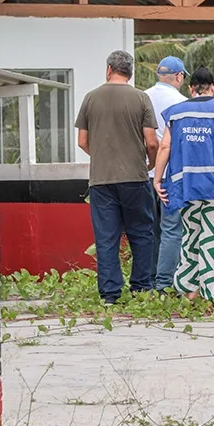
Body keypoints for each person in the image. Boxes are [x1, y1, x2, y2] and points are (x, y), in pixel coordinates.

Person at [152, 67, 214, 301]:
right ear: (213, 88)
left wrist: (157, 179)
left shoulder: (176, 112)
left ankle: (188, 290)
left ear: (191, 89)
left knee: (190, 237)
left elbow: (165, 147)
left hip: (187, 187)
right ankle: (211, 294)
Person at [75, 50, 159, 304]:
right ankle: (142, 288)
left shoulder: (91, 98)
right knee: (142, 234)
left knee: (106, 237)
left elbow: (82, 141)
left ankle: (110, 294)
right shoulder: (141, 98)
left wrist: (100, 155)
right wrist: (149, 163)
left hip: (101, 180)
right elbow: (152, 142)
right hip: (135, 177)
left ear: (109, 69)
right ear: (130, 73)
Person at [144, 56, 188, 292]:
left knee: (148, 231)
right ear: (179, 76)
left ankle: (147, 281)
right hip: (171, 175)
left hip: (144, 173)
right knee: (172, 230)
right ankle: (166, 283)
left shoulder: (142, 97)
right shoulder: (182, 102)